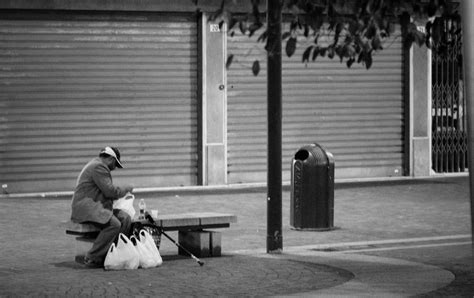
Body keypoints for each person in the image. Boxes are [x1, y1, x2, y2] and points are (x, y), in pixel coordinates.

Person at [70, 146, 134, 268]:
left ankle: (114, 253)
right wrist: (126, 189)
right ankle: (92, 257)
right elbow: (110, 192)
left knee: (125, 218)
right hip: (87, 208)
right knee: (114, 224)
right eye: (116, 164)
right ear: (111, 159)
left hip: (95, 206)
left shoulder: (96, 165)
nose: (115, 168)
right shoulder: (99, 167)